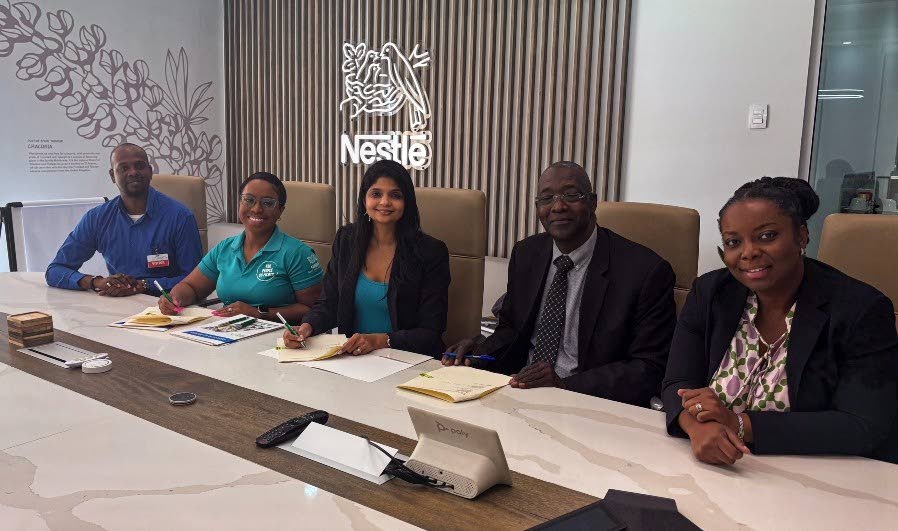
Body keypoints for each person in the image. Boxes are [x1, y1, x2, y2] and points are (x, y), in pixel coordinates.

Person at [662, 177, 898, 465]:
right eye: (734, 242)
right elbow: (678, 382)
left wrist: (738, 424)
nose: (748, 252)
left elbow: (863, 425)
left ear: (801, 236)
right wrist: (699, 426)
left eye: (767, 236)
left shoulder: (860, 309)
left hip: (819, 478)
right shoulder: (710, 293)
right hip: (718, 468)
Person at [444, 161, 676, 407]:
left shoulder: (644, 271)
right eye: (546, 198)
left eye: (571, 195)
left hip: (591, 403)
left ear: (593, 202)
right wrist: (479, 352)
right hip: (520, 390)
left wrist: (564, 384)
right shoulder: (527, 253)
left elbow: (649, 367)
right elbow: (511, 330)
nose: (557, 206)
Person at [281, 160, 450, 357]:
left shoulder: (430, 252)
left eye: (395, 195)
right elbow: (328, 303)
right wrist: (307, 326)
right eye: (376, 194)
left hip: (409, 360)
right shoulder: (347, 240)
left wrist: (381, 340)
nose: (385, 202)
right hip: (355, 359)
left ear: (407, 202)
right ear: (364, 199)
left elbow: (431, 331)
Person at [157, 172, 322, 321]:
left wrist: (257, 313)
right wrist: (174, 298)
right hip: (227, 334)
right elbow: (191, 287)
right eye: (249, 200)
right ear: (240, 202)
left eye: (268, 203)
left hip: (278, 340)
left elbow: (313, 309)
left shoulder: (297, 253)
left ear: (280, 210)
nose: (257, 209)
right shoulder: (225, 248)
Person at [45, 143, 202, 296]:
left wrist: (143, 285)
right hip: (119, 309)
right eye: (124, 168)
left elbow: (196, 281)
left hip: (168, 306)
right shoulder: (97, 218)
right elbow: (55, 271)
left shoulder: (180, 217)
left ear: (150, 171)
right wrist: (97, 282)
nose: (133, 172)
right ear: (113, 175)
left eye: (139, 166)